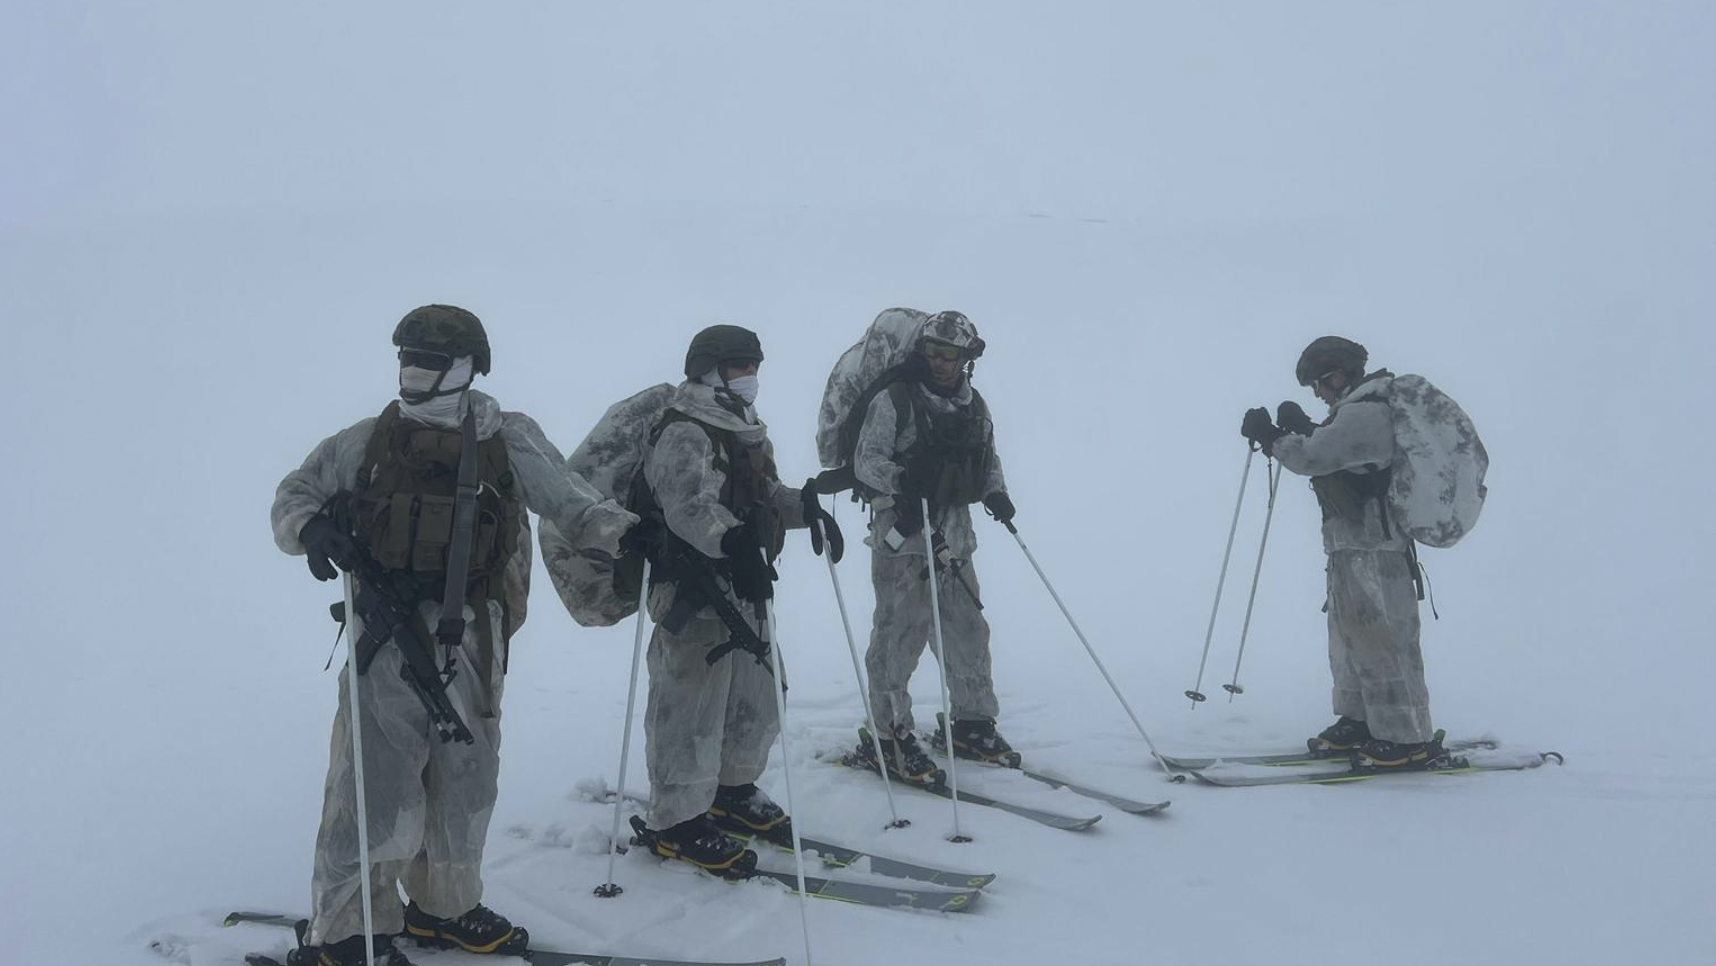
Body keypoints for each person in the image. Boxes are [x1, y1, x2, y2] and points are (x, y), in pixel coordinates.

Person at [271, 305, 636, 966]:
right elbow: (294, 491)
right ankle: (349, 930)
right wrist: (310, 528)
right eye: (407, 357)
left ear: (468, 368)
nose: (414, 371)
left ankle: (445, 906)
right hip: (385, 645)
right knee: (374, 786)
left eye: (431, 360)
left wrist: (632, 537)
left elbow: (572, 503)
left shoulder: (506, 440)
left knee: (465, 781)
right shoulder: (370, 441)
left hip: (475, 640)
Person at [629, 325, 830, 876]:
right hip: (693, 589)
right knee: (689, 703)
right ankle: (676, 820)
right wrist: (732, 540)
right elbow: (688, 506)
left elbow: (762, 491)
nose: (749, 377)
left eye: (753, 366)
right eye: (738, 366)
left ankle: (732, 788)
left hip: (744, 584)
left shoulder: (743, 429)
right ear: (709, 370)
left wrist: (802, 508)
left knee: (758, 692)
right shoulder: (685, 430)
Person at [1240, 335, 1442, 768]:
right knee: (1349, 639)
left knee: (1383, 640)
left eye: (1317, 383)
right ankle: (1359, 721)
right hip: (1351, 547)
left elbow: (1317, 457)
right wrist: (1301, 429)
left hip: (1376, 548)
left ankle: (1406, 738)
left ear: (1338, 374)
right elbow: (1336, 454)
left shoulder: (1369, 411)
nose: (1316, 392)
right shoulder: (1352, 413)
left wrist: (1278, 438)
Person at [849, 310, 1015, 784]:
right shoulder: (894, 400)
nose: (940, 362)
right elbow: (867, 460)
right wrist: (904, 480)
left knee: (967, 631)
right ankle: (889, 734)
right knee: (898, 636)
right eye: (932, 352)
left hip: (955, 536)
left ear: (967, 358)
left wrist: (995, 490)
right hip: (904, 538)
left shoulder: (972, 404)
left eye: (951, 354)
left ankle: (973, 723)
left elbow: (987, 455)